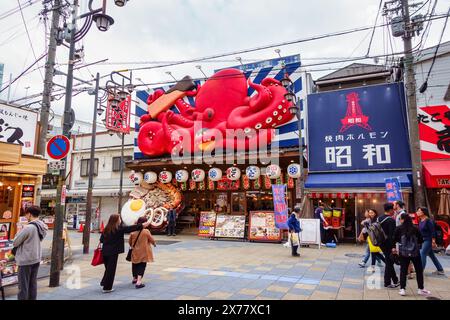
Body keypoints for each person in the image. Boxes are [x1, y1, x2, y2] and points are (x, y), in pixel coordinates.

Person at [100, 214, 151, 293]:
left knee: (108, 269)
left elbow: (101, 240)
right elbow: (129, 229)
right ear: (116, 220)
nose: (120, 220)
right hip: (113, 252)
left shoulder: (107, 229)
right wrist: (141, 225)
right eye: (119, 218)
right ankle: (107, 288)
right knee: (111, 270)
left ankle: (104, 282)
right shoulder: (118, 229)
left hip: (105, 251)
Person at [12, 206, 48, 300]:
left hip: (26, 259)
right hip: (36, 257)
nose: (26, 216)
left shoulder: (28, 227)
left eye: (26, 214)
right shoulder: (42, 226)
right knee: (32, 283)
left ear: (29, 214)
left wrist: (20, 230)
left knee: (23, 286)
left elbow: (15, 242)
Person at [393, 213, 431, 296]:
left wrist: (395, 248)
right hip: (415, 253)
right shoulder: (415, 228)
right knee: (419, 270)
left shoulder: (398, 228)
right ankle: (420, 289)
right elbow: (421, 240)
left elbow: (394, 239)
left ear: (402, 220)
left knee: (403, 270)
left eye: (400, 219)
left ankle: (402, 289)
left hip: (403, 253)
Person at [129, 217, 156, 289]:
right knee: (142, 265)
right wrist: (154, 243)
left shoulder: (133, 231)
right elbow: (151, 239)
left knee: (134, 264)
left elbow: (130, 242)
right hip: (144, 252)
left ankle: (134, 278)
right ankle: (139, 282)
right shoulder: (146, 231)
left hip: (135, 251)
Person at [417, 207, 445, 276]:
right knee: (432, 255)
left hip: (428, 240)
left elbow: (433, 232)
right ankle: (440, 269)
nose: (417, 212)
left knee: (422, 253)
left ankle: (420, 270)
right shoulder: (421, 220)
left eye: (419, 211)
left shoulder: (428, 221)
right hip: (423, 240)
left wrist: (433, 241)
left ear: (423, 212)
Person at [378, 203, 399, 288]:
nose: (394, 211)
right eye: (393, 210)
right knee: (389, 263)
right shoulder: (391, 220)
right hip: (388, 244)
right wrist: (393, 247)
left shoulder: (379, 218)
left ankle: (395, 280)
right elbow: (391, 236)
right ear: (390, 210)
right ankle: (387, 283)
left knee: (389, 261)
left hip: (381, 243)